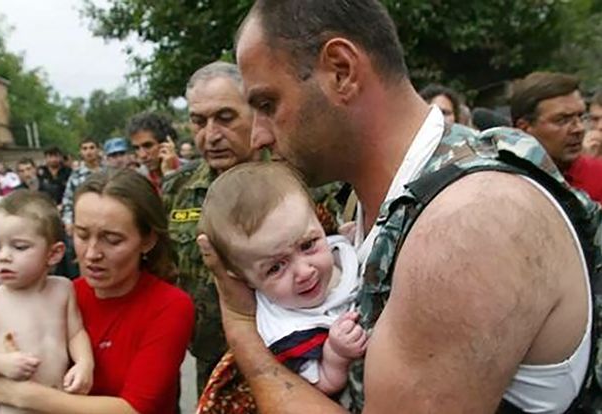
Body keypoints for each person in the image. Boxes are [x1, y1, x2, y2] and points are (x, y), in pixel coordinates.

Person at [197, 1, 599, 413]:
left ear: (341, 70)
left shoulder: (467, 221)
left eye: (267, 105)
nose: (259, 136)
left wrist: (244, 329)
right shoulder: (382, 197)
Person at [0, 169, 194, 414]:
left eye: (112, 240)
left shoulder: (170, 306)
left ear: (148, 240)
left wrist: (25, 396)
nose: (92, 253)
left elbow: (135, 409)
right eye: (82, 235)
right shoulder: (60, 293)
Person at [198, 162, 366, 395]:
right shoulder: (286, 331)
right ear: (245, 279)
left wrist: (351, 241)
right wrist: (335, 356)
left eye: (308, 245)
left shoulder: (335, 248)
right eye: (275, 268)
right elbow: (321, 387)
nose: (304, 272)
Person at [162, 61, 258, 394]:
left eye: (226, 118)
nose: (212, 135)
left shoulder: (301, 184)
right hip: (211, 369)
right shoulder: (176, 190)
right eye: (199, 121)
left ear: (256, 111)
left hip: (289, 363)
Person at [0, 190, 94, 414]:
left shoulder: (63, 288)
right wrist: (1, 365)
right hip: (16, 408)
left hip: (61, 402)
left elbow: (75, 333)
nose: (4, 256)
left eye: (19, 247)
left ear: (54, 254)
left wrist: (85, 363)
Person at [511, 71, 602, 203]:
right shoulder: (498, 182)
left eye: (581, 117)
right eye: (562, 120)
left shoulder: (598, 176)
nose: (579, 128)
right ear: (524, 128)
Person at [127, 112, 181, 192]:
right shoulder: (137, 182)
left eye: (148, 146)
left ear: (166, 143)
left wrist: (170, 174)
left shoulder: (194, 172)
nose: (142, 155)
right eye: (136, 148)